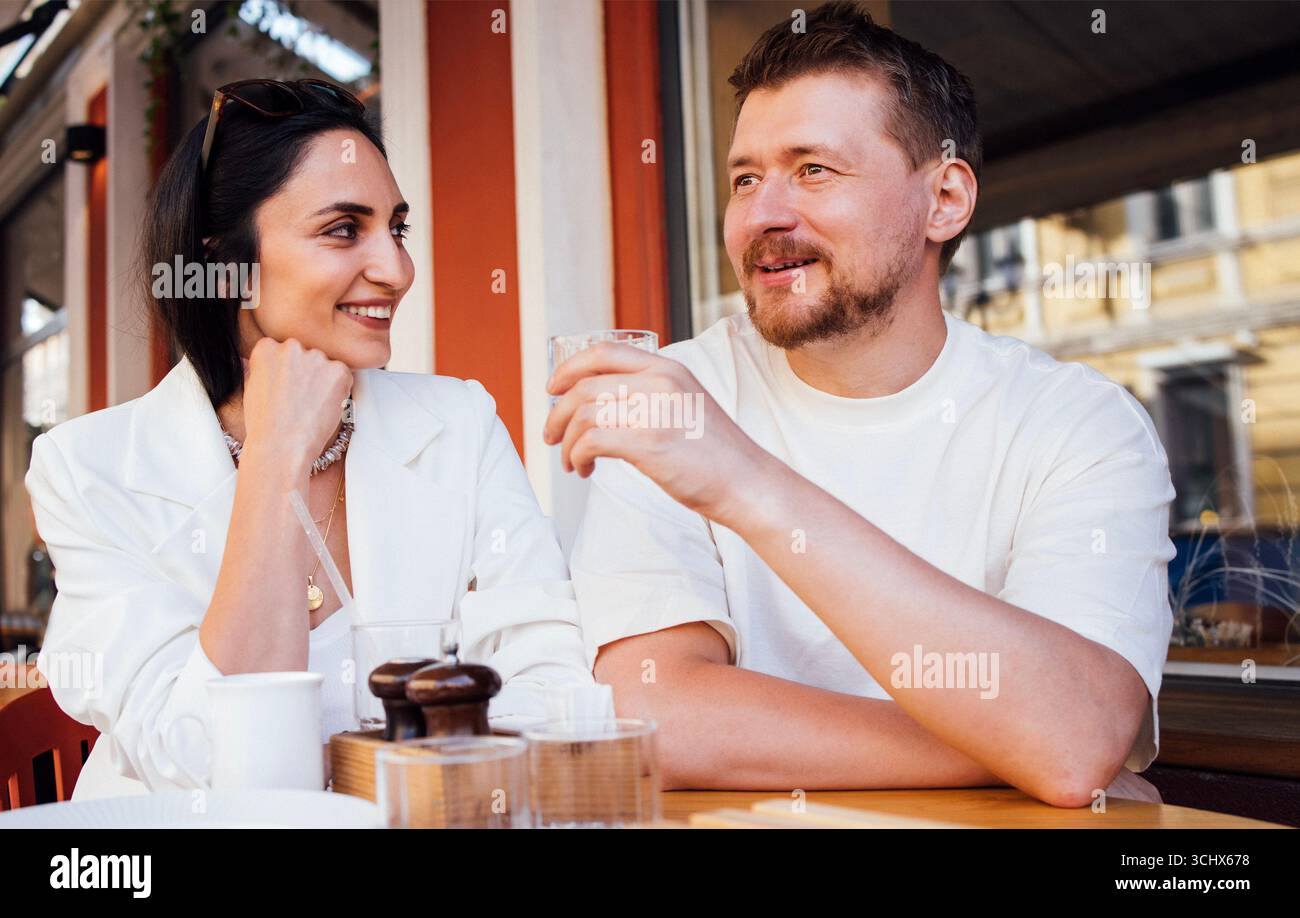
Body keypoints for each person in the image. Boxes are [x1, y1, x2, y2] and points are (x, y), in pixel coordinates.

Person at [548, 3, 1174, 807]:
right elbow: (651, 711)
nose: (764, 214)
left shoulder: (1080, 426)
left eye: (813, 169)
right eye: (745, 178)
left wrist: (740, 479)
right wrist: (1014, 748)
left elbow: (1076, 726)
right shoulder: (676, 397)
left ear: (944, 199)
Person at [28, 79, 589, 799]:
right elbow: (209, 765)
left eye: (397, 229)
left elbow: (552, 684)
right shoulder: (87, 470)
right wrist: (276, 457)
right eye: (343, 229)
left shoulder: (461, 424)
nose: (397, 270)